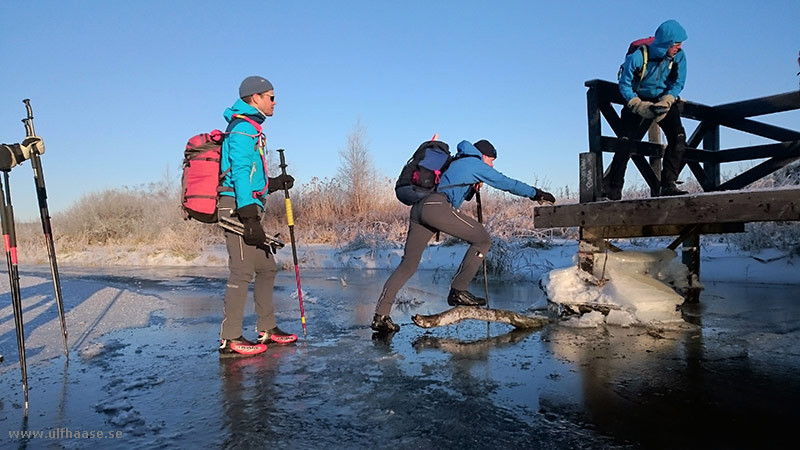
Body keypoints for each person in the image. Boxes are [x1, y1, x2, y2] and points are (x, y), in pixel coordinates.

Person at [371, 139, 556, 333]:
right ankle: (458, 290)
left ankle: (381, 316)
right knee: (482, 239)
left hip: (419, 209)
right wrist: (537, 193)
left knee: (408, 265)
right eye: (492, 160)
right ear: (484, 155)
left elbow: (450, 189)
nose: (492, 165)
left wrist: (471, 190)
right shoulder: (474, 163)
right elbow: (506, 183)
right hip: (435, 207)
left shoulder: (457, 162)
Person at [217, 75, 297, 356]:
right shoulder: (241, 129)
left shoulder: (252, 128)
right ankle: (230, 338)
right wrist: (248, 216)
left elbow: (252, 177)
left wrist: (275, 182)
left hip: (249, 207)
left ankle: (267, 328)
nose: (275, 102)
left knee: (266, 268)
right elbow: (238, 172)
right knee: (241, 271)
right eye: (271, 97)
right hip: (237, 209)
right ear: (255, 98)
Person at [603, 19, 689, 201]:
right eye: (676, 45)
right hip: (638, 98)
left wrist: (668, 99)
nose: (679, 48)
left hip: (663, 100)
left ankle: (668, 185)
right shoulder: (637, 57)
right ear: (666, 43)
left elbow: (678, 82)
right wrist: (637, 104)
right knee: (626, 141)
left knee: (679, 138)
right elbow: (624, 84)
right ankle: (613, 189)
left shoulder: (679, 57)